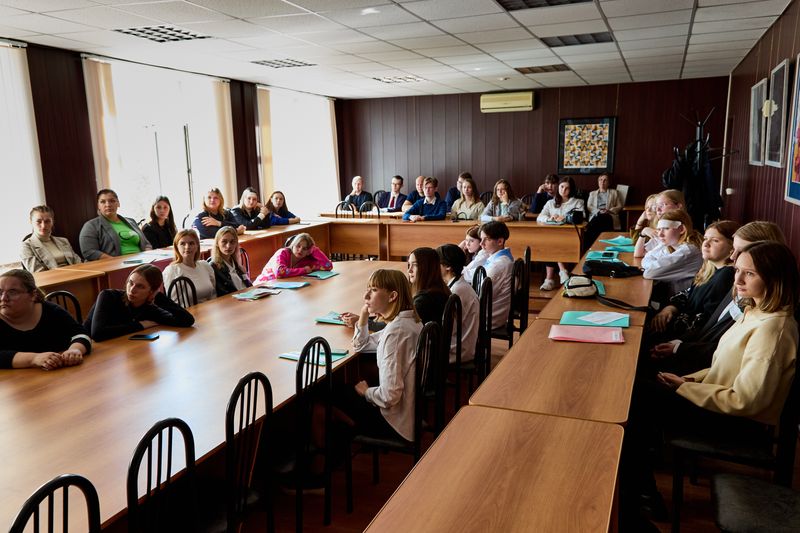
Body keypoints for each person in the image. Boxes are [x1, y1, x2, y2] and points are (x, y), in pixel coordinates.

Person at [621, 241, 799, 528]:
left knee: (638, 397)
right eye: (737, 270)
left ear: (775, 278)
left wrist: (684, 388)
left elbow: (746, 400)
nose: (738, 280)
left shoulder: (773, 330)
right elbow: (721, 367)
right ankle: (638, 492)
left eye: (750, 274)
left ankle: (638, 498)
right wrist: (688, 380)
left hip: (736, 422)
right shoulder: (755, 311)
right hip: (717, 404)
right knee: (638, 391)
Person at [649, 221, 786, 376]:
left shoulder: (742, 288)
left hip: (701, 365)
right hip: (695, 356)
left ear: (767, 256)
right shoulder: (735, 284)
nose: (733, 257)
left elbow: (730, 356)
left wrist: (679, 348)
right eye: (734, 250)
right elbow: (711, 329)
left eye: (741, 251)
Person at [335, 269, 423, 442]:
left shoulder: (395, 333)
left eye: (374, 290)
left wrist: (366, 392)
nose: (366, 296)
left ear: (392, 296)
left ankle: (341, 443)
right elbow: (361, 345)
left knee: (328, 393)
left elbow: (390, 395)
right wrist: (363, 315)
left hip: (395, 421)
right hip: (411, 412)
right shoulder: (408, 320)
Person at [648, 221, 739, 339]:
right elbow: (688, 293)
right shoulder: (709, 269)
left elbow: (705, 321)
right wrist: (670, 308)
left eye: (715, 240)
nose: (706, 244)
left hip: (685, 339)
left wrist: (676, 343)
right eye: (705, 238)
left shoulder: (726, 275)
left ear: (733, 247)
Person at [0, 269, 90, 370]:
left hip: (63, 374)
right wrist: (34, 359)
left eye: (12, 292)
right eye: (0, 292)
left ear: (33, 295)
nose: (3, 298)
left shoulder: (52, 311)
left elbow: (81, 334)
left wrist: (75, 350)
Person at [84, 264, 195, 342]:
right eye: (130, 283)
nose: (132, 290)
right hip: (87, 347)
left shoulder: (150, 309)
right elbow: (98, 334)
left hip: (116, 349)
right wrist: (141, 325)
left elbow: (187, 320)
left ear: (151, 291)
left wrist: (158, 296)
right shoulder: (108, 296)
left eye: (140, 286)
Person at [639, 209, 704, 304]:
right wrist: (651, 264)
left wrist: (649, 264)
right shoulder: (670, 244)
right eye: (659, 229)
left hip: (682, 302)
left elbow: (649, 273)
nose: (660, 234)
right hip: (672, 297)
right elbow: (648, 256)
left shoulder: (688, 250)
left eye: (666, 228)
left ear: (681, 229)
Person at [537, 177, 585, 288]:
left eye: (567, 188)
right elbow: (540, 217)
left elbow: (581, 217)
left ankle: (549, 279)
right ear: (558, 187)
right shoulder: (550, 202)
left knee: (552, 242)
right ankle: (562, 270)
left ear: (571, 190)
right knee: (551, 242)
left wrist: (565, 218)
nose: (563, 190)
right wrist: (550, 218)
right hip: (553, 236)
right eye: (562, 187)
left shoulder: (578, 202)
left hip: (571, 237)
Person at [79, 189, 152, 260]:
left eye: (112, 201)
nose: (108, 205)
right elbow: (89, 252)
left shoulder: (131, 221)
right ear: (98, 206)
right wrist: (116, 262)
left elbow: (146, 244)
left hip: (142, 262)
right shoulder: (91, 226)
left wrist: (148, 257)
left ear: (118, 203)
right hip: (115, 264)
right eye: (103, 202)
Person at [437, 244, 478, 364]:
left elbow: (448, 329)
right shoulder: (458, 285)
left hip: (458, 351)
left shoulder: (456, 291)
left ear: (448, 267)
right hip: (462, 345)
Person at [20, 205, 82, 272]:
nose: (43, 226)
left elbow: (78, 263)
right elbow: (38, 273)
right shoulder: (26, 246)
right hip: (53, 278)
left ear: (53, 222)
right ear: (31, 222)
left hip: (76, 274)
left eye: (47, 221)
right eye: (38, 221)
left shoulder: (64, 241)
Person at [162, 229, 217, 304]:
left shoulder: (205, 266)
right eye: (182, 244)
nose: (187, 247)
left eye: (191, 243)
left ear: (197, 246)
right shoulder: (172, 270)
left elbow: (213, 294)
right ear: (176, 247)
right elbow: (175, 303)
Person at [478, 221, 514, 329]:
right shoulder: (499, 257)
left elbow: (482, 296)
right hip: (490, 312)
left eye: (486, 239)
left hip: (488, 318)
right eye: (481, 239)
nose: (481, 244)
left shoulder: (499, 265)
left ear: (500, 241)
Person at [254, 232, 332, 283]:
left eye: (305, 248)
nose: (300, 250)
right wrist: (303, 270)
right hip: (264, 285)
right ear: (293, 245)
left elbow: (328, 266)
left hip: (281, 287)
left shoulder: (306, 260)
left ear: (309, 251)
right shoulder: (282, 252)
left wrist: (315, 250)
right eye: (298, 246)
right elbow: (280, 272)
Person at [407, 247, 450, 325]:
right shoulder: (440, 289)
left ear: (428, 268)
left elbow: (404, 326)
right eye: (409, 265)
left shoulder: (423, 302)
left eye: (415, 265)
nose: (409, 270)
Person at [208, 226, 252, 296]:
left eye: (232, 242)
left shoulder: (235, 262)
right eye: (224, 242)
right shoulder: (213, 266)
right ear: (217, 244)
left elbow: (249, 286)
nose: (228, 246)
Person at [585, 173, 624, 245]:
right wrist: (598, 211)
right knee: (600, 217)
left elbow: (619, 206)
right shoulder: (592, 193)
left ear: (608, 183)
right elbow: (589, 206)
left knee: (600, 219)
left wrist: (609, 210)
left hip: (609, 215)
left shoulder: (614, 192)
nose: (602, 182)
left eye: (605, 180)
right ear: (598, 182)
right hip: (597, 215)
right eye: (600, 180)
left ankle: (590, 243)